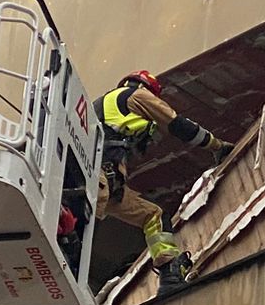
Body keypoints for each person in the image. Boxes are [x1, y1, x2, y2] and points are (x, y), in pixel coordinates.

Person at [97, 71, 232, 292]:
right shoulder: (137, 96)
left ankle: (170, 278)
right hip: (101, 177)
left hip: (105, 184)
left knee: (153, 215)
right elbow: (178, 125)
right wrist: (217, 146)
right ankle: (169, 276)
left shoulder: (103, 107)